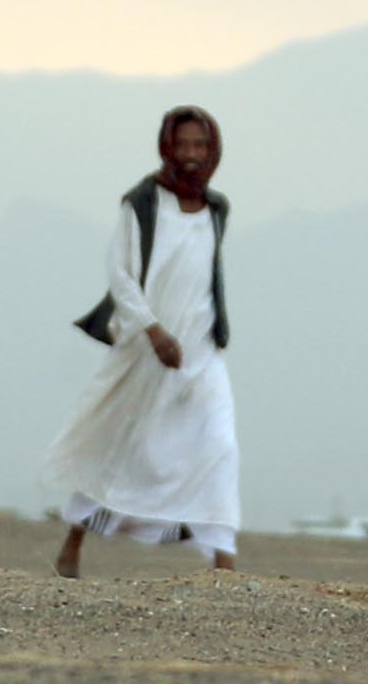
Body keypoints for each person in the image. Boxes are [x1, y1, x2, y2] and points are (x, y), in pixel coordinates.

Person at [46, 103, 237, 574]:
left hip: (202, 351)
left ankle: (223, 558)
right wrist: (152, 331)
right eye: (183, 144)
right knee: (122, 446)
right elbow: (121, 275)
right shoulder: (144, 203)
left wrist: (203, 335)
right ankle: (74, 538)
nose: (191, 154)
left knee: (218, 445)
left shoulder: (216, 208)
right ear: (167, 147)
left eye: (201, 145)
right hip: (147, 347)